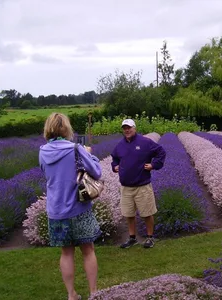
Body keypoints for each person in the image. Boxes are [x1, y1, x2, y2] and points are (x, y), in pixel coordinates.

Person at [39, 113, 102, 300]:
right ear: (66, 128)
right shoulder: (75, 149)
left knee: (66, 253)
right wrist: (90, 155)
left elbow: (46, 173)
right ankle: (94, 293)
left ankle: (71, 295)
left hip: (56, 212)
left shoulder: (42, 152)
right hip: (79, 209)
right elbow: (96, 172)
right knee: (88, 250)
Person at [111, 118, 166, 249]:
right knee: (128, 214)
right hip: (126, 187)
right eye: (124, 128)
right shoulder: (120, 145)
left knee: (147, 213)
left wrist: (153, 165)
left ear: (134, 128)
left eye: (129, 127)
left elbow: (161, 152)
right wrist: (115, 166)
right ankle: (132, 238)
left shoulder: (145, 142)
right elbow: (114, 158)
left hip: (142, 185)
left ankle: (150, 237)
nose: (127, 130)